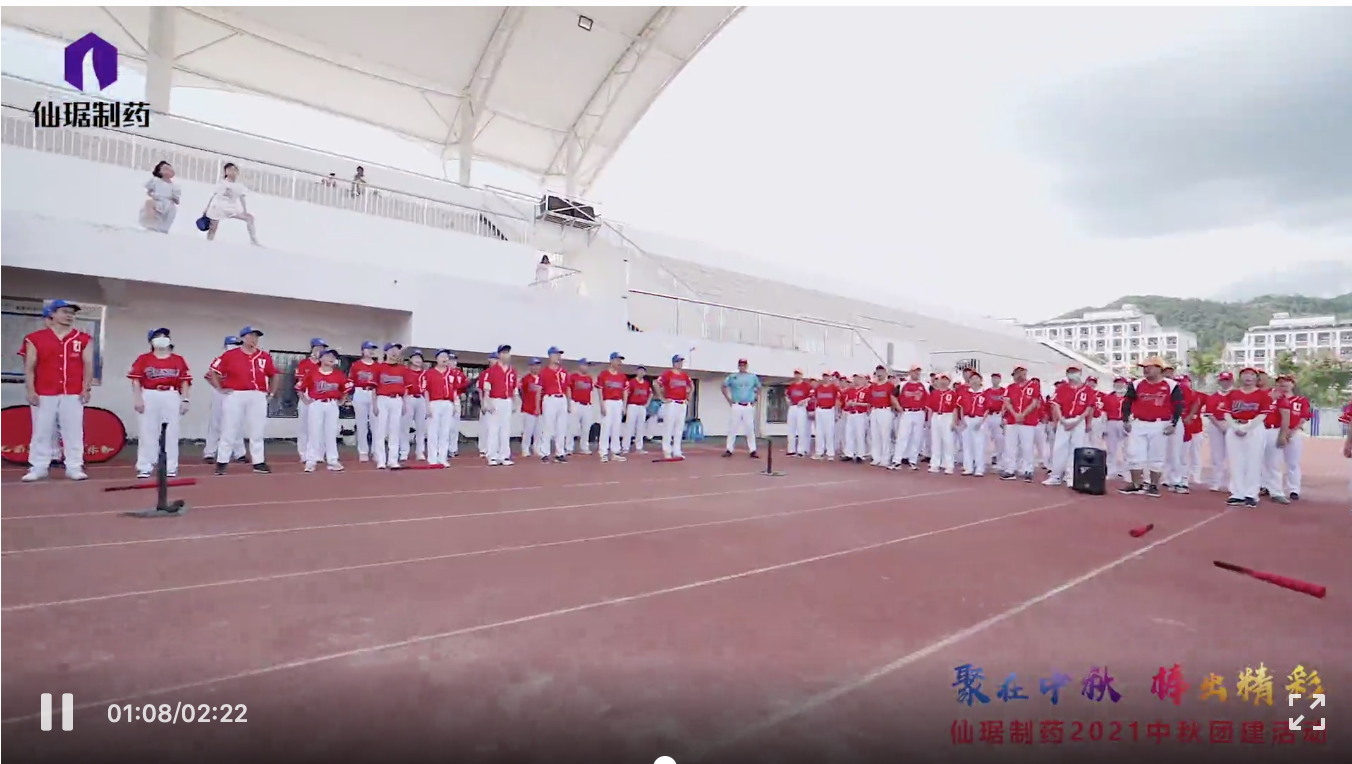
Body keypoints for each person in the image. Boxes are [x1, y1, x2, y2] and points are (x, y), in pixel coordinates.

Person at [20, 299, 94, 482]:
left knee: (74, 430)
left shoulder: (83, 338)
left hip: (73, 391)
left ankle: (74, 466)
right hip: (44, 391)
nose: (69, 316)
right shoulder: (34, 338)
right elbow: (29, 367)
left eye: (72, 313)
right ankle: (38, 467)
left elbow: (88, 365)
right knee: (41, 430)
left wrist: (86, 388)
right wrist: (31, 390)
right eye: (64, 312)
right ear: (52, 314)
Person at [208, 326, 278, 475]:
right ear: (242, 338)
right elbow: (214, 371)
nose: (253, 339)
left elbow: (273, 374)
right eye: (250, 336)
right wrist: (220, 388)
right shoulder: (230, 355)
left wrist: (271, 393)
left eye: (256, 336)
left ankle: (258, 462)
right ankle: (222, 461)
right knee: (229, 427)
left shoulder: (264, 356)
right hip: (236, 393)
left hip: (258, 394)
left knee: (257, 429)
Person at [128, 327, 191, 479]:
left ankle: (170, 466)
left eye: (164, 336)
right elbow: (136, 380)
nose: (162, 338)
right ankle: (145, 466)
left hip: (171, 394)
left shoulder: (178, 360)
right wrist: (137, 398)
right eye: (158, 336)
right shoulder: (144, 359)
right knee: (147, 430)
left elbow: (184, 381)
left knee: (171, 432)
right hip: (150, 393)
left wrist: (185, 399)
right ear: (151, 341)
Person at [1118, 357, 1184, 497]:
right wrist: (1125, 419)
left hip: (1160, 424)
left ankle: (1154, 485)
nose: (1146, 370)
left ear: (1159, 369)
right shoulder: (1136, 384)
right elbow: (1127, 402)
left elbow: (1178, 405)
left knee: (1157, 456)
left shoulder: (1171, 385)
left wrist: (1173, 423)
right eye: (1144, 367)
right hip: (1139, 422)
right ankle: (1136, 484)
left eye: (1149, 367)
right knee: (1134, 454)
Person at [1221, 367, 1271, 507]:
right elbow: (1226, 412)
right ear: (1240, 377)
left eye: (1251, 375)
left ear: (1256, 378)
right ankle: (1237, 493)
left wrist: (1247, 427)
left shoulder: (1262, 395)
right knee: (1235, 461)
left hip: (1254, 428)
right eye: (1245, 374)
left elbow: (1263, 414)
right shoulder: (1233, 394)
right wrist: (1236, 427)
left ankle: (1251, 494)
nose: (1248, 377)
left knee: (1254, 461)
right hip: (1235, 426)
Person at [299, 348, 351, 472]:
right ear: (321, 358)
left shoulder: (338, 374)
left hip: (331, 404)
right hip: (316, 403)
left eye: (333, 357)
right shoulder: (313, 372)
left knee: (331, 432)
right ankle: (311, 461)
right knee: (314, 432)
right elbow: (300, 387)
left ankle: (333, 460)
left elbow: (346, 389)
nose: (331, 359)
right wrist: (305, 400)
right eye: (328, 356)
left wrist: (342, 400)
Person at [1045, 366, 1094, 487]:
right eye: (1070, 372)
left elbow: (1089, 408)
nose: (1072, 375)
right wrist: (1061, 419)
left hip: (1078, 421)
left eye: (1075, 372)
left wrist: (1079, 421)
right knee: (1059, 448)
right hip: (1064, 420)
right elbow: (1056, 405)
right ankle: (1056, 476)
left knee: (1076, 449)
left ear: (1080, 373)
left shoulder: (1087, 390)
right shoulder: (1062, 388)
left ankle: (1071, 477)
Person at [204, 335, 247, 464]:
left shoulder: (242, 361)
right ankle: (210, 453)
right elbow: (209, 376)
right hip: (220, 393)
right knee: (216, 423)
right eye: (233, 345)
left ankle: (239, 453)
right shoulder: (221, 359)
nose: (235, 347)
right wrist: (219, 388)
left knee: (237, 423)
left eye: (237, 345)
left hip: (235, 392)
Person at [999, 366, 1041, 483]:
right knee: (1010, 446)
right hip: (1012, 421)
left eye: (1020, 372)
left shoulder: (1033, 386)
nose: (1018, 375)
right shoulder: (1010, 387)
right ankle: (1010, 469)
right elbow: (1007, 402)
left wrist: (1023, 414)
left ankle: (1028, 470)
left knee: (1027, 446)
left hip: (1028, 421)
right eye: (1016, 373)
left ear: (1025, 372)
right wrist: (1015, 414)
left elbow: (1034, 402)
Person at [480, 344, 518, 466]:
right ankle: (492, 456)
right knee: (494, 429)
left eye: (508, 353)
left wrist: (515, 403)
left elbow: (514, 389)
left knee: (505, 429)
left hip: (507, 401)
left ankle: (504, 455)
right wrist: (488, 402)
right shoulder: (492, 370)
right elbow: (487, 388)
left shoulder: (512, 371)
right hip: (495, 400)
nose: (507, 355)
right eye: (504, 353)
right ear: (499, 355)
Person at [371, 343, 407, 469]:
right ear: (386, 352)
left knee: (395, 430)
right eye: (392, 350)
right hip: (383, 399)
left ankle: (393, 460)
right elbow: (374, 388)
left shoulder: (402, 369)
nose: (394, 353)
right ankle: (381, 460)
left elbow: (405, 388)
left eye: (397, 351)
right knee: (381, 430)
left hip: (397, 399)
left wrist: (404, 403)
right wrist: (374, 404)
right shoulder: (379, 367)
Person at [204, 162, 259, 245]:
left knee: (250, 218)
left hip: (231, 209)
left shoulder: (239, 186)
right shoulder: (221, 183)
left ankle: (253, 240)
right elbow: (213, 195)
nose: (232, 172)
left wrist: (245, 211)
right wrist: (206, 209)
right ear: (225, 172)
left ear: (237, 172)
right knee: (213, 227)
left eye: (234, 170)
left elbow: (242, 199)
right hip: (218, 208)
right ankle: (208, 242)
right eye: (229, 170)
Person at [293, 338, 327, 464]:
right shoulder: (304, 363)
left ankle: (319, 454)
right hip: (306, 393)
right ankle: (304, 454)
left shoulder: (325, 364)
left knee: (319, 426)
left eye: (322, 348)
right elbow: (299, 383)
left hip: (321, 394)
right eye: (317, 348)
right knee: (304, 426)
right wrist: (303, 398)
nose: (320, 350)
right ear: (312, 349)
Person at [348, 342, 381, 462]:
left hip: (374, 393)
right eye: (368, 349)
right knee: (361, 423)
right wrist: (348, 396)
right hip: (360, 391)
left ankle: (376, 451)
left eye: (372, 349)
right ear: (362, 350)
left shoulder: (378, 366)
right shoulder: (356, 365)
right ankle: (363, 451)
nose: (371, 351)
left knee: (376, 424)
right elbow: (350, 381)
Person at [656, 355, 694, 460]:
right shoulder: (667, 374)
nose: (680, 364)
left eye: (681, 362)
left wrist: (689, 397)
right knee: (668, 428)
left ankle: (677, 451)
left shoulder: (684, 375)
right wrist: (662, 398)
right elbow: (656, 383)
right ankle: (667, 451)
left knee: (679, 429)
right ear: (674, 363)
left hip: (682, 403)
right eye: (678, 362)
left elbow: (692, 385)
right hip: (671, 403)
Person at [537, 346, 571, 463]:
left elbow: (567, 388)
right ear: (550, 356)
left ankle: (560, 452)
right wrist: (538, 405)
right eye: (556, 355)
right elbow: (539, 390)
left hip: (562, 398)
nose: (558, 357)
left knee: (561, 427)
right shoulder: (544, 372)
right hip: (550, 398)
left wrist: (569, 403)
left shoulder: (563, 372)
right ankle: (544, 452)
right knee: (548, 426)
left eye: (559, 355)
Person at [1202, 371, 1235, 492]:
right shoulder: (1213, 397)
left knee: (1233, 455)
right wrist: (1219, 425)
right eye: (1223, 381)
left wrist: (1230, 424)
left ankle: (1232, 483)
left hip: (1232, 425)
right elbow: (1210, 413)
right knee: (1217, 455)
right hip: (1216, 424)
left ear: (1231, 381)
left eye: (1227, 381)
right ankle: (1216, 482)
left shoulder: (1236, 395)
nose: (1225, 383)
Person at [425, 349, 458, 467]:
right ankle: (432, 457)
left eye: (446, 357)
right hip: (434, 402)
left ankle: (442, 457)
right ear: (436, 359)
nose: (445, 359)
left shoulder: (452, 373)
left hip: (447, 403)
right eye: (442, 356)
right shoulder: (429, 373)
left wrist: (454, 404)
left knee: (445, 431)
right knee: (433, 431)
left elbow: (454, 390)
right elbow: (426, 390)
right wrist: (427, 406)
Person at [891, 366, 928, 470]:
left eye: (918, 371)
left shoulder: (925, 385)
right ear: (910, 372)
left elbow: (934, 394)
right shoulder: (903, 384)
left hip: (919, 412)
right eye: (914, 371)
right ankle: (897, 460)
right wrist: (898, 406)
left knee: (917, 437)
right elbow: (893, 395)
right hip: (906, 412)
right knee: (902, 436)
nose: (917, 373)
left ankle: (913, 460)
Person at [723, 359, 761, 458]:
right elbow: (723, 386)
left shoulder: (752, 377)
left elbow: (759, 387)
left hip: (748, 405)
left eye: (744, 365)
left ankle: (753, 450)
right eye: (740, 365)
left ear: (746, 366)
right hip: (736, 404)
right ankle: (729, 449)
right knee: (733, 428)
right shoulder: (733, 376)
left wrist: (755, 399)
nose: (742, 367)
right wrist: (729, 400)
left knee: (750, 428)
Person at [596, 352, 629, 463]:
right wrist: (601, 404)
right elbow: (599, 389)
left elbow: (625, 391)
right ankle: (603, 452)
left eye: (620, 360)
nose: (619, 362)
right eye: (617, 360)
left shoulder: (622, 376)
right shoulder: (604, 374)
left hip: (618, 402)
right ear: (611, 361)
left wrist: (624, 405)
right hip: (608, 401)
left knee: (616, 427)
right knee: (606, 427)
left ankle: (615, 452)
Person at [926, 374, 959, 474]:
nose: (943, 382)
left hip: (947, 416)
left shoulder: (952, 394)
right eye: (942, 380)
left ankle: (948, 464)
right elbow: (930, 408)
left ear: (949, 382)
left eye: (946, 380)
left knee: (948, 441)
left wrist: (954, 421)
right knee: (935, 441)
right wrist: (929, 420)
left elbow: (955, 408)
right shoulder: (934, 393)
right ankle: (934, 464)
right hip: (936, 416)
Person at [956, 372, 987, 477]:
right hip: (967, 419)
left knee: (979, 445)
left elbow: (987, 409)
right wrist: (963, 420)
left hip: (979, 419)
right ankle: (968, 467)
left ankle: (979, 468)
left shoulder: (984, 394)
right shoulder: (965, 393)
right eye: (972, 379)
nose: (974, 381)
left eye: (977, 378)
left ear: (980, 380)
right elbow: (961, 407)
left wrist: (982, 422)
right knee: (967, 444)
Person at [400, 351, 429, 463]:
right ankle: (404, 452)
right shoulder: (405, 371)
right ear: (410, 359)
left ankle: (420, 451)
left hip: (421, 398)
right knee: (405, 427)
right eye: (415, 357)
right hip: (409, 398)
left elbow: (426, 390)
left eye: (420, 358)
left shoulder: (424, 373)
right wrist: (403, 401)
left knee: (421, 427)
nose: (418, 360)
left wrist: (427, 404)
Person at [140, 160, 181, 233]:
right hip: (157, 201)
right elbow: (148, 189)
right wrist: (152, 195)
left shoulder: (174, 186)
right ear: (159, 171)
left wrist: (174, 199)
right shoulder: (156, 180)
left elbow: (177, 200)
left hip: (169, 203)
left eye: (170, 169)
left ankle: (164, 228)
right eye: (165, 169)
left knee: (171, 212)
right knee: (149, 204)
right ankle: (150, 224)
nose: (169, 171)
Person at [1101, 378, 1129, 481]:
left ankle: (1125, 472)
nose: (1119, 385)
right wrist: (1104, 426)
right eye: (1117, 383)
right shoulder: (1108, 397)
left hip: (1125, 422)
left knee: (1127, 448)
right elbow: (1104, 412)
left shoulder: (1130, 397)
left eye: (1121, 383)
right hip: (1112, 421)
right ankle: (1111, 471)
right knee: (1111, 448)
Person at [567, 359, 597, 456]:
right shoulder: (573, 376)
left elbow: (590, 391)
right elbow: (568, 389)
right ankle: (569, 448)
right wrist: (569, 403)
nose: (586, 367)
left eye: (587, 365)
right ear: (580, 365)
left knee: (586, 428)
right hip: (576, 403)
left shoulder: (589, 378)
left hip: (586, 405)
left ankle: (584, 447)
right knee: (572, 427)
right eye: (585, 365)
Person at [622, 366, 653, 454]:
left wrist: (647, 403)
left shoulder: (646, 383)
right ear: (637, 372)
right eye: (640, 371)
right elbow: (626, 393)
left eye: (643, 371)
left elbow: (651, 393)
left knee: (640, 427)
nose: (641, 372)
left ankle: (639, 447)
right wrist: (625, 406)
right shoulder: (631, 382)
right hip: (632, 405)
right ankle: (625, 447)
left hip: (642, 406)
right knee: (629, 426)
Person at [781, 369, 812, 457]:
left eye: (798, 374)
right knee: (791, 428)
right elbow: (787, 394)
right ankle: (791, 449)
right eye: (795, 374)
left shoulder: (806, 386)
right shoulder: (792, 386)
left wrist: (804, 401)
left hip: (801, 407)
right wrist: (787, 400)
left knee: (801, 429)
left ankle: (801, 450)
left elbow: (811, 396)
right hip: (792, 407)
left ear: (801, 375)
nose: (797, 376)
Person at [518, 358, 544, 459]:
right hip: (528, 408)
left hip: (540, 409)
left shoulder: (542, 378)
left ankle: (537, 448)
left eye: (538, 365)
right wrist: (525, 401)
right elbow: (521, 391)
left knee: (539, 431)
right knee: (528, 431)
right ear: (530, 367)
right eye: (534, 365)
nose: (536, 367)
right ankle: (525, 449)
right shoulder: (526, 379)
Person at [812, 373, 841, 460]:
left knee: (829, 431)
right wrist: (814, 410)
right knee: (819, 432)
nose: (825, 378)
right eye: (824, 376)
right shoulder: (819, 388)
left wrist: (837, 412)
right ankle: (819, 452)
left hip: (829, 410)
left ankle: (830, 453)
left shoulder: (833, 388)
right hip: (819, 409)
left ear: (829, 377)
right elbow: (816, 399)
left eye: (827, 376)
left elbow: (837, 400)